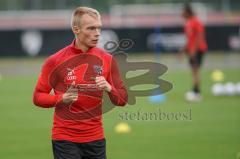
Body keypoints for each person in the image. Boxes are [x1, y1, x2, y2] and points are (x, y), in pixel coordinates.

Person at [33, 7, 128, 159]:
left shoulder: (107, 60)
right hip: (64, 138)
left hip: (95, 138)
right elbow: (38, 96)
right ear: (76, 29)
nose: (97, 33)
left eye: (99, 28)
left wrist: (109, 88)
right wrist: (61, 98)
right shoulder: (55, 60)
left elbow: (123, 99)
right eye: (91, 28)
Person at [178, 4, 208, 102]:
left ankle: (197, 93)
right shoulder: (188, 23)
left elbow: (199, 36)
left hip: (197, 50)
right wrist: (183, 50)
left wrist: (194, 50)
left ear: (187, 12)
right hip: (191, 51)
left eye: (182, 11)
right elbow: (190, 39)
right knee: (194, 71)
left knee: (195, 71)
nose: (181, 13)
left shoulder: (195, 21)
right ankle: (195, 92)